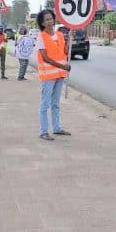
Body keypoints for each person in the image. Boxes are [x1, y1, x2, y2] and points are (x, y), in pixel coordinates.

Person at [35, 9, 72, 141]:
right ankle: (43, 131)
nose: (50, 21)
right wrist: (63, 66)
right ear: (43, 23)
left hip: (60, 74)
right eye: (47, 20)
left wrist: (68, 41)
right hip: (48, 75)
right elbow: (45, 58)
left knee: (55, 103)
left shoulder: (60, 35)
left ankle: (57, 128)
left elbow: (65, 52)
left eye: (51, 18)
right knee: (45, 104)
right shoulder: (41, 36)